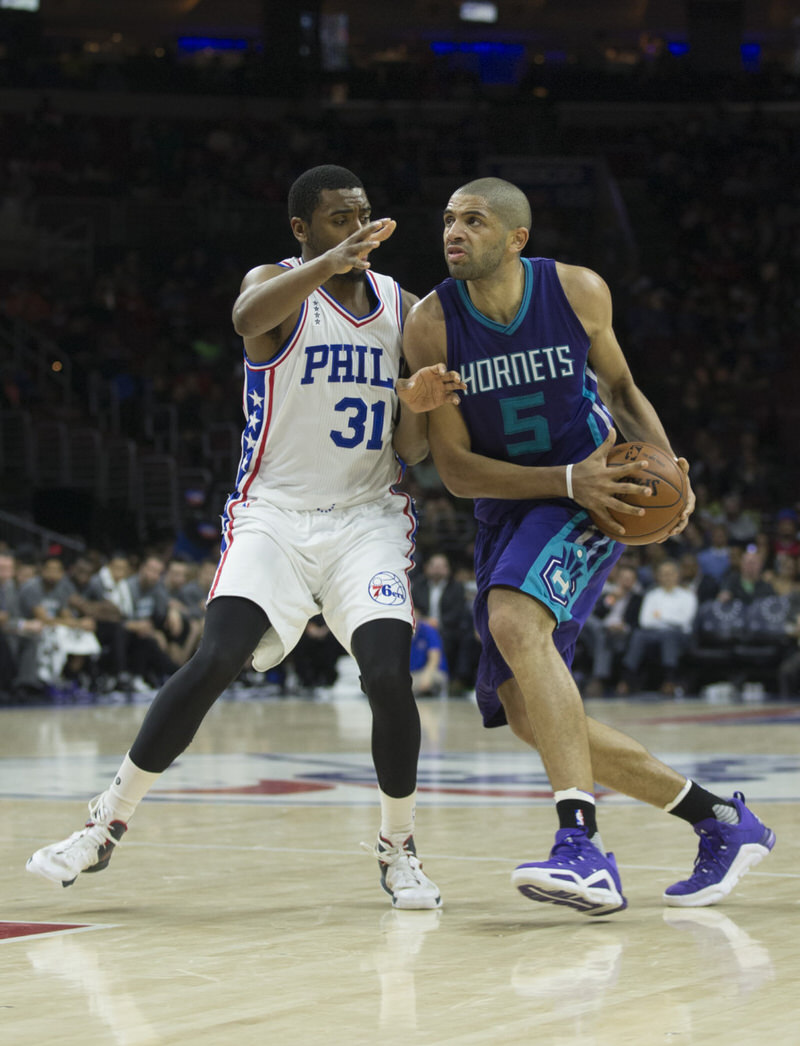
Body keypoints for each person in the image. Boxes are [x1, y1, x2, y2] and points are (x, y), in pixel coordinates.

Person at [27, 165, 465, 910]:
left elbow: (416, 452)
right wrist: (329, 263)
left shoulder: (405, 308)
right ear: (302, 230)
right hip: (274, 514)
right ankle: (105, 826)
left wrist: (416, 403)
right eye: (336, 219)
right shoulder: (276, 285)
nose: (356, 229)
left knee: (388, 674)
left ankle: (399, 847)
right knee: (217, 657)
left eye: (363, 215)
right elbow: (242, 319)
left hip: (366, 517)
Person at [402, 176, 775, 915]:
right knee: (525, 714)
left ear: (516, 239)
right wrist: (560, 480)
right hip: (517, 499)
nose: (454, 231)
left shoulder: (576, 291)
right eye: (448, 219)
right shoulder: (430, 325)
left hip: (597, 488)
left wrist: (670, 472)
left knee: (513, 620)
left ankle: (582, 845)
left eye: (473, 220)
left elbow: (626, 391)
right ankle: (722, 822)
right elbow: (452, 468)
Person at [617, 558, 698, 696]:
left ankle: (669, 681)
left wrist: (660, 617)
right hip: (653, 632)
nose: (667, 577)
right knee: (638, 635)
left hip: (679, 635)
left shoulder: (687, 595)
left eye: (670, 573)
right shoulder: (652, 595)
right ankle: (626, 680)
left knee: (668, 635)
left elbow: (684, 620)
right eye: (663, 573)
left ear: (677, 575)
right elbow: (645, 621)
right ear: (658, 576)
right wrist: (667, 619)